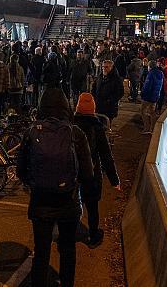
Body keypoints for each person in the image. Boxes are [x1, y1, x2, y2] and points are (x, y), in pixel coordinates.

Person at [17, 88, 93, 287]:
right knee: (68, 248)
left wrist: (34, 183)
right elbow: (88, 173)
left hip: (41, 202)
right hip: (68, 201)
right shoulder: (75, 133)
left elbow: (21, 170)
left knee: (41, 251)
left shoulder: (32, 132)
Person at [73, 93, 120, 248]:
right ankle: (93, 236)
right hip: (91, 174)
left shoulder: (71, 126)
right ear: (93, 109)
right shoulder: (97, 128)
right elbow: (106, 155)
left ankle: (69, 232)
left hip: (73, 173)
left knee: (72, 203)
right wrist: (114, 180)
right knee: (92, 207)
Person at [91, 60, 124, 130]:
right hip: (98, 105)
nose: (104, 69)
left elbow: (120, 93)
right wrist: (93, 97)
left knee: (106, 125)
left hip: (109, 107)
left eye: (106, 67)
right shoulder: (100, 76)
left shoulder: (116, 79)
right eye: (103, 67)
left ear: (111, 67)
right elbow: (94, 87)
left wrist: (110, 100)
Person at [140, 60, 164, 135]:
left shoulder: (150, 74)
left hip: (148, 96)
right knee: (152, 112)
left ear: (149, 66)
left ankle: (146, 128)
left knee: (142, 111)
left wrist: (142, 94)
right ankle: (153, 129)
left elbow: (147, 86)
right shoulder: (160, 73)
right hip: (156, 96)